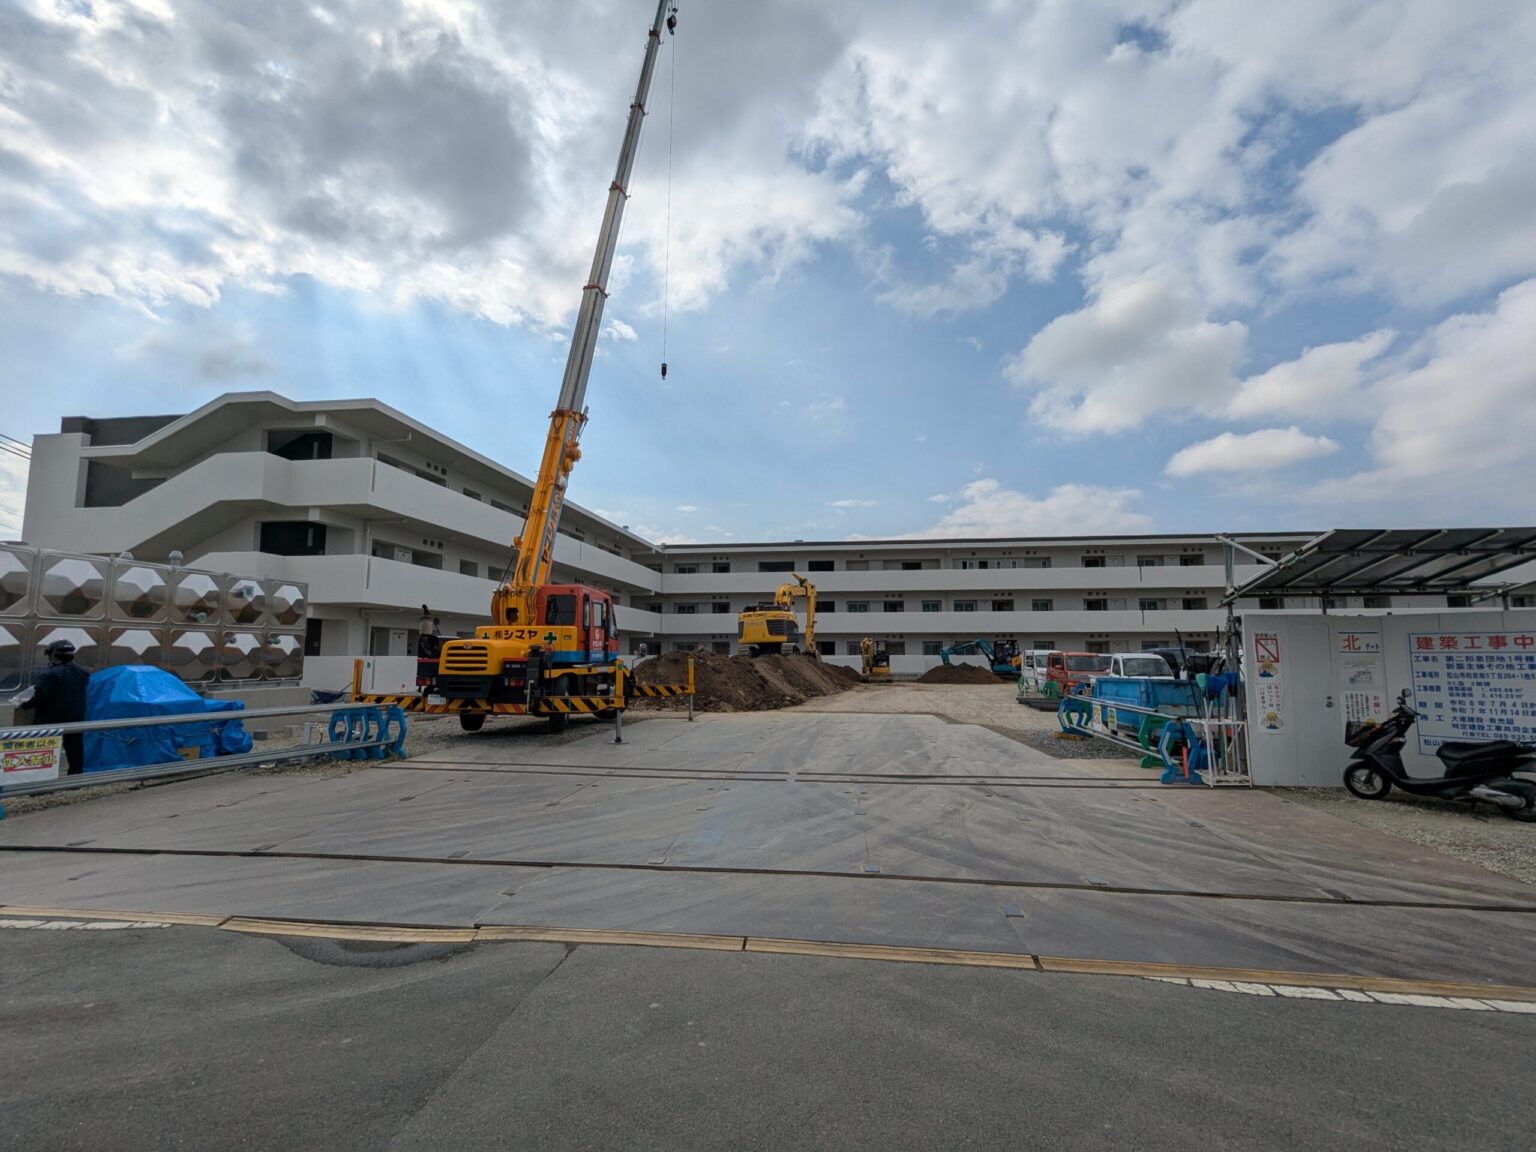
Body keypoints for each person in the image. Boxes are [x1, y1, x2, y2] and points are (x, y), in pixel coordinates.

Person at [32, 639, 90, 775]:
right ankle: (74, 781)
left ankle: (44, 783)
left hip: (50, 720)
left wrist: (24, 703)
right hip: (75, 718)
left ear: (53, 655)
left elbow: (40, 697)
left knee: (47, 751)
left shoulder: (49, 675)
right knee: (75, 751)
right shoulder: (83, 673)